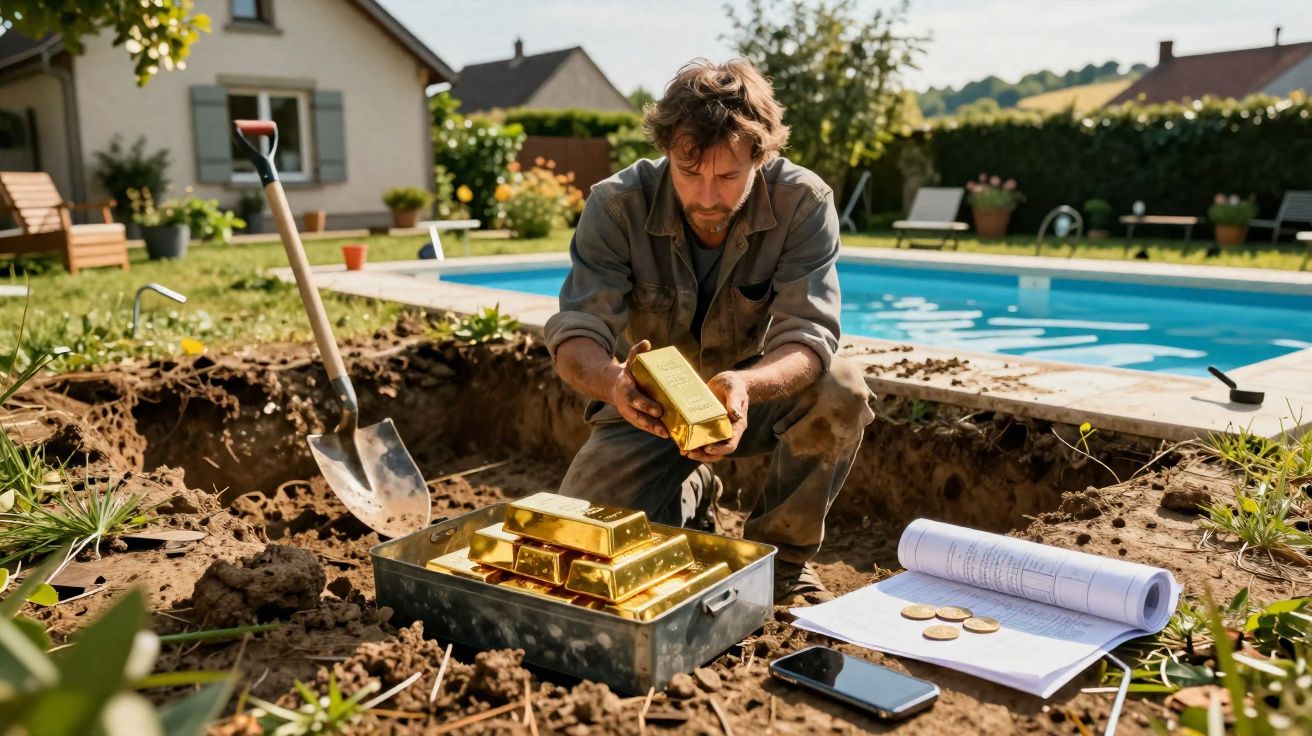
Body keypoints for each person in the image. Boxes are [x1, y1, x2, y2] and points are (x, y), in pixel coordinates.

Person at [543, 58, 875, 603]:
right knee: (579, 549)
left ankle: (784, 561)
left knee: (840, 387)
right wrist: (614, 384)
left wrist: (747, 386)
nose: (706, 196)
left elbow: (809, 334)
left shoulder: (803, 203)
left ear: (761, 158)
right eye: (688, 171)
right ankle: (692, 492)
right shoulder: (615, 205)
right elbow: (577, 330)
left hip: (748, 393)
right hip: (644, 406)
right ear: (667, 149)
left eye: (728, 176)